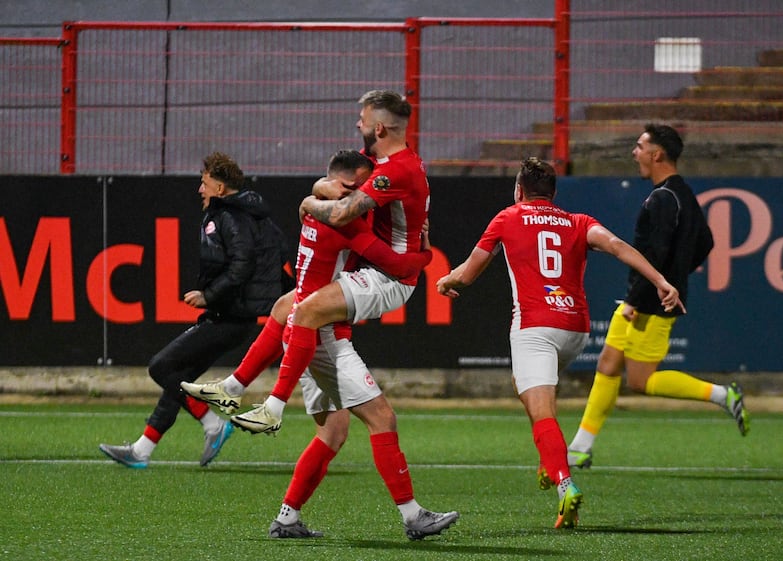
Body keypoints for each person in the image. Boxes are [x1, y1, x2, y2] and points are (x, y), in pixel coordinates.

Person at [436, 156, 683, 529]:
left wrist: (446, 281)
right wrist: (661, 281)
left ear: (519, 190)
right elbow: (616, 245)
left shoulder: (506, 217)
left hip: (535, 328)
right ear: (552, 194)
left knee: (541, 411)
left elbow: (469, 273)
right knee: (532, 393)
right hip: (575, 332)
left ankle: (565, 484)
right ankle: (548, 461)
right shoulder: (577, 221)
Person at [228, 89, 431, 433]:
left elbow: (339, 214)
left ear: (379, 128)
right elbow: (335, 184)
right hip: (375, 266)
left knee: (304, 311)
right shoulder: (378, 160)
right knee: (285, 308)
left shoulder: (395, 171)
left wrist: (309, 202)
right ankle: (235, 389)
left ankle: (273, 407)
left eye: (363, 119)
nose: (358, 123)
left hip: (390, 275)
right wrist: (321, 186)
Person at [181, 150, 431, 426]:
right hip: (320, 333)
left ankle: (234, 388)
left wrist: (315, 192)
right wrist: (426, 254)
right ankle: (272, 407)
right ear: (344, 187)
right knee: (372, 422)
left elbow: (317, 200)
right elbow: (395, 264)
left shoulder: (316, 207)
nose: (365, 192)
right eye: (360, 186)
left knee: (283, 308)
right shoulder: (345, 222)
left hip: (302, 318)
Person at [567, 123, 750, 470]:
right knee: (607, 363)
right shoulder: (680, 193)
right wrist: (677, 274)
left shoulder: (664, 198)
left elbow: (657, 252)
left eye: (639, 146)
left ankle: (723, 395)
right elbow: (706, 242)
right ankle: (579, 447)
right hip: (644, 297)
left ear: (657, 154)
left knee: (640, 380)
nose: (634, 153)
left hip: (647, 303)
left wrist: (639, 298)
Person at [99, 152, 286, 468]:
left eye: (205, 183)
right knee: (179, 378)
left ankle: (214, 425)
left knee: (160, 367)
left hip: (229, 317)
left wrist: (208, 295)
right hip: (234, 316)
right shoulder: (249, 213)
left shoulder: (230, 217)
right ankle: (142, 451)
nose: (200, 189)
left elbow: (242, 265)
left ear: (221, 188)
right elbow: (275, 252)